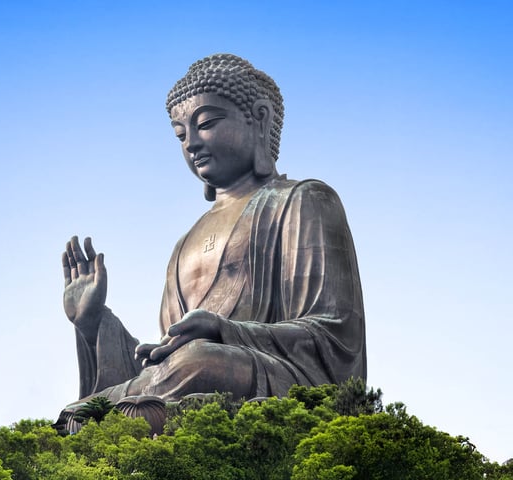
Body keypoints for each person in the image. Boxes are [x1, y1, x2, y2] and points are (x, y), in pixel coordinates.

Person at [58, 54, 365, 432]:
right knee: (84, 408)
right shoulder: (184, 244)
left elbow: (333, 336)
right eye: (180, 134)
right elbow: (160, 365)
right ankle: (127, 420)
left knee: (199, 362)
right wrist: (93, 322)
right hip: (187, 373)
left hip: (271, 377)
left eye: (205, 124)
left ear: (260, 118)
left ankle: (137, 418)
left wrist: (224, 330)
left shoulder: (304, 201)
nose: (191, 143)